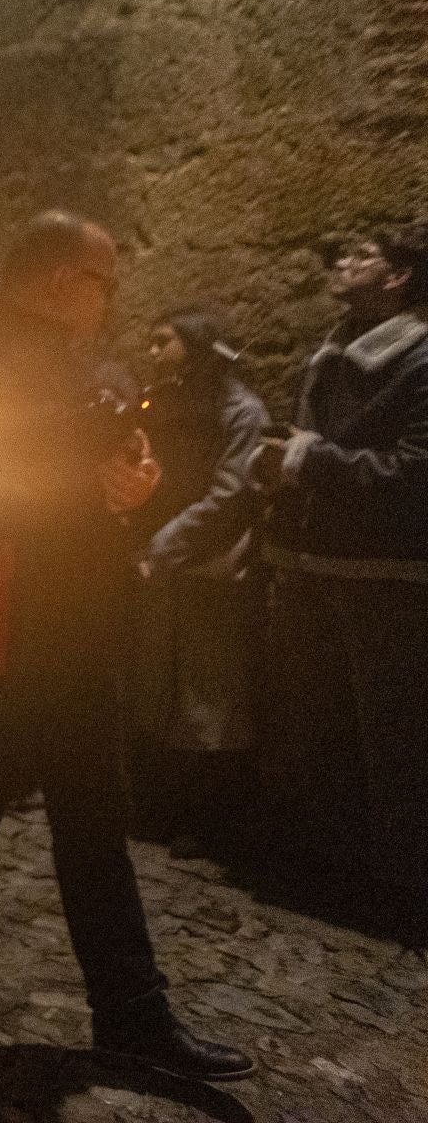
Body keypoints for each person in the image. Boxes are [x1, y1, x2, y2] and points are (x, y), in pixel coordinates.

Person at [0, 211, 254, 1081]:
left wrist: (132, 483)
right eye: (103, 281)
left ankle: (131, 1013)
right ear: (60, 280)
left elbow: (109, 465)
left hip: (78, 631)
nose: (110, 299)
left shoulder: (94, 369)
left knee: (95, 826)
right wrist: (78, 466)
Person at [251, 226, 428, 936]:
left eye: (360, 255)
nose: (341, 263)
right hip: (310, 560)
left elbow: (413, 473)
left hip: (380, 572)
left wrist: (307, 461)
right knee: (317, 722)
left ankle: (401, 885)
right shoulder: (331, 349)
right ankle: (328, 865)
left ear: (400, 276)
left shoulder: (419, 360)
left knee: (390, 735)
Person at [127, 308, 268, 856]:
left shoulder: (242, 412)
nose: (154, 352)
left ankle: (209, 820)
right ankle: (161, 807)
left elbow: (230, 493)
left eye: (164, 342)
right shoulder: (167, 404)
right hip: (164, 563)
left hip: (213, 567)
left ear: (197, 344)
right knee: (160, 684)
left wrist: (165, 543)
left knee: (210, 693)